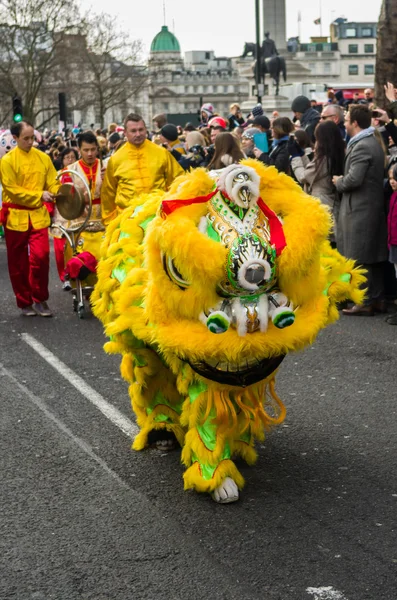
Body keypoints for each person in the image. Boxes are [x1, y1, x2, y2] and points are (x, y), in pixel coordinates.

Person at [332, 104, 388, 316]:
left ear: (354, 123)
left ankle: (364, 301)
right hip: (366, 207)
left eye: (346, 120)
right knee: (371, 256)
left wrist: (339, 181)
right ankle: (378, 299)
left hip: (361, 209)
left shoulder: (362, 145)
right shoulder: (367, 141)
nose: (344, 123)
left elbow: (354, 179)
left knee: (360, 256)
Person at [0, 121, 59, 316]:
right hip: (15, 217)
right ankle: (24, 301)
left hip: (38, 216)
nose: (30, 141)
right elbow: (12, 191)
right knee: (17, 263)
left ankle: (40, 298)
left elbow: (53, 181)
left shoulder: (43, 158)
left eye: (32, 137)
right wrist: (39, 195)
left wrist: (60, 192)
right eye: (26, 138)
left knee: (41, 257)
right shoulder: (7, 161)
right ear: (15, 138)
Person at [101, 113, 184, 224]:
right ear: (125, 133)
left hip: (158, 217)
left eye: (141, 130)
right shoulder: (115, 159)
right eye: (133, 131)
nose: (138, 134)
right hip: (127, 220)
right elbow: (108, 194)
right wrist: (110, 222)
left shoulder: (161, 153)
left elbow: (178, 180)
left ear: (146, 130)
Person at [290, 120, 345, 244]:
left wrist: (295, 157)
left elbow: (303, 176)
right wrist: (302, 154)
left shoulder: (324, 158)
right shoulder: (337, 153)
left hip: (321, 204)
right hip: (332, 202)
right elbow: (312, 170)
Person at [51, 146, 79, 289]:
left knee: (76, 247)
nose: (70, 160)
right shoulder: (57, 175)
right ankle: (65, 277)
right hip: (61, 216)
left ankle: (78, 276)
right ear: (62, 160)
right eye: (67, 157)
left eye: (72, 157)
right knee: (60, 249)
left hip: (77, 215)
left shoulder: (80, 174)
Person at [386, 164, 397, 325]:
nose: (392, 182)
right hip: (393, 242)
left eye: (395, 178)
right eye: (390, 178)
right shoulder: (393, 196)